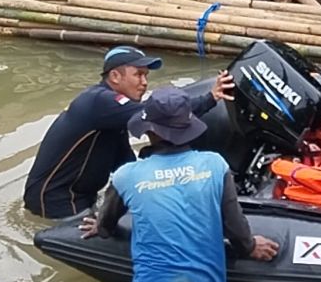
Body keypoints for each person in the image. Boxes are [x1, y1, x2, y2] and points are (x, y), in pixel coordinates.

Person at [79, 88, 279, 282]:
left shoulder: (127, 176)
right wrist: (251, 246)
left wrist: (99, 228)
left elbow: (106, 223)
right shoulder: (215, 165)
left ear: (151, 131)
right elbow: (234, 225)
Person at [24, 46, 234, 218]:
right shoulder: (100, 101)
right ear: (115, 76)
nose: (144, 82)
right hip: (56, 200)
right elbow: (158, 114)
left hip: (81, 195)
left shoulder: (113, 115)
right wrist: (210, 98)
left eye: (146, 76)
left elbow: (125, 164)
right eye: (138, 75)